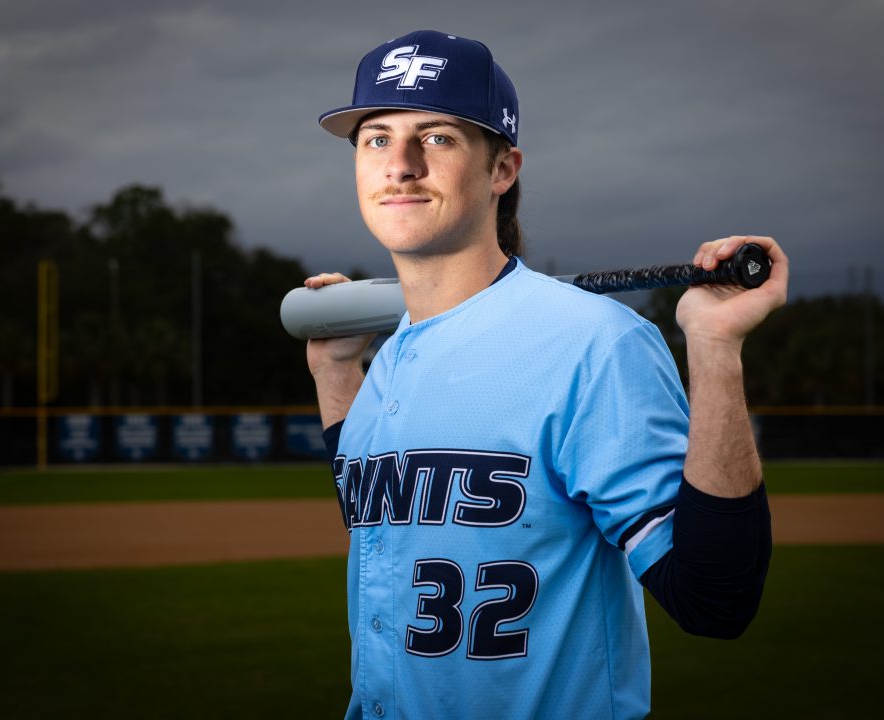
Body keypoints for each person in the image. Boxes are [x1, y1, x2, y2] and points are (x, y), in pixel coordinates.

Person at [304, 30, 788, 720]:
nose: (401, 165)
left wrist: (713, 348)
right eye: (376, 138)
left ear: (503, 169)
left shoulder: (594, 344)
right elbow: (385, 508)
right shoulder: (391, 357)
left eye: (437, 138)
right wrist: (336, 375)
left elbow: (716, 600)